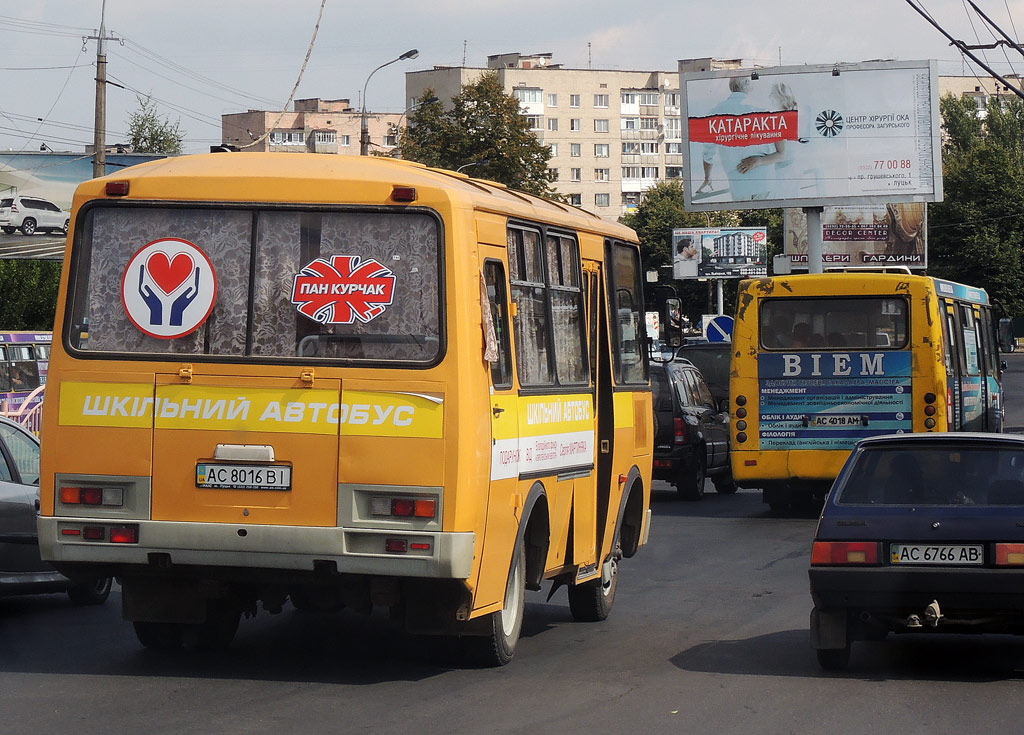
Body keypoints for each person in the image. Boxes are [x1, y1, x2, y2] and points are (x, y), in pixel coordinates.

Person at [697, 78, 790, 201]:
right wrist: (758, 161)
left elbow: (708, 154)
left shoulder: (714, 113)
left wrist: (707, 177)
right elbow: (782, 154)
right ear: (747, 83)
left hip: (738, 185)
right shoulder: (764, 110)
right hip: (765, 182)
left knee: (743, 219)